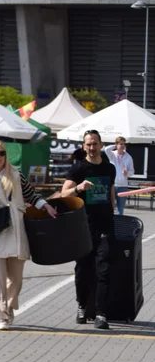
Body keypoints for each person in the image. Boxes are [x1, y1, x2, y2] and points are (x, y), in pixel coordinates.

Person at [0, 140, 57, 331]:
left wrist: (46, 206)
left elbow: (31, 195)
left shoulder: (16, 174)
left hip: (17, 230)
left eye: (2, 153)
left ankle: (9, 306)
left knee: (16, 278)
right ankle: (2, 316)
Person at [62, 129, 116, 330]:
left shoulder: (110, 168)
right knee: (83, 270)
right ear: (84, 146)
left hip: (105, 225)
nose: (92, 148)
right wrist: (79, 188)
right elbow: (63, 193)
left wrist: (114, 213)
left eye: (95, 144)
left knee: (104, 268)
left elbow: (111, 193)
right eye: (88, 144)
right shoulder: (78, 169)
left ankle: (101, 313)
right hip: (83, 227)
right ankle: (82, 306)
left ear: (101, 145)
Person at [108, 136, 134, 216]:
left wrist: (127, 173)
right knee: (110, 207)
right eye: (120, 144)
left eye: (124, 144)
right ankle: (110, 224)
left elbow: (132, 171)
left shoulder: (128, 157)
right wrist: (115, 146)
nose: (122, 146)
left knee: (120, 209)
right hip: (112, 184)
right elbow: (106, 149)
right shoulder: (112, 155)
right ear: (116, 144)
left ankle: (119, 225)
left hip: (123, 186)